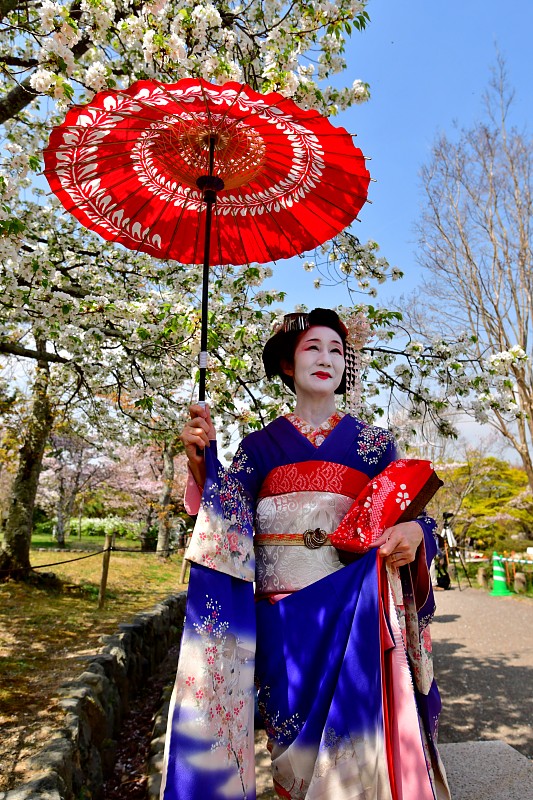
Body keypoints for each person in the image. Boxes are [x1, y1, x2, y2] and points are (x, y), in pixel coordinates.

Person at [161, 308, 450, 800]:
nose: (326, 358)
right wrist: (202, 462)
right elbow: (227, 517)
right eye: (313, 348)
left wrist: (416, 534)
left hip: (355, 617)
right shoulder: (259, 446)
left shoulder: (374, 445)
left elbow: (415, 515)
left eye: (337, 351)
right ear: (288, 366)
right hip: (282, 620)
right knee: (291, 757)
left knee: (355, 753)